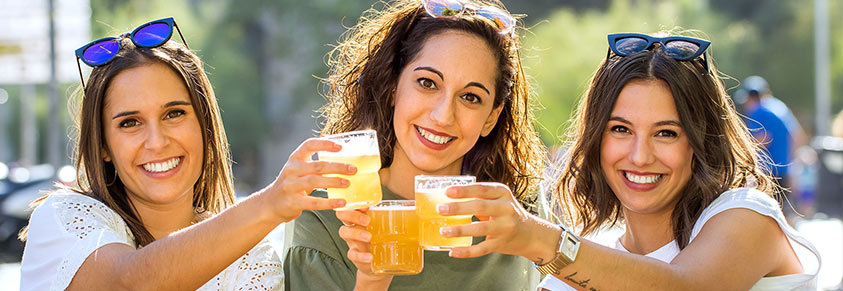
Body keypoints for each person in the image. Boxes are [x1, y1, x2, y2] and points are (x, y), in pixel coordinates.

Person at [437, 32, 822, 290]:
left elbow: (684, 287)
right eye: (620, 129)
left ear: (699, 141)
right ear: (596, 138)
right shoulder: (591, 259)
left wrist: (537, 237)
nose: (639, 156)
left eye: (666, 133)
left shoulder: (746, 216)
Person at [19, 17, 348, 290]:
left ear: (204, 124)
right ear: (103, 146)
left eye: (174, 114)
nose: (157, 141)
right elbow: (128, 282)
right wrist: (269, 204)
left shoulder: (251, 256)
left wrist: (369, 281)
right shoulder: (64, 218)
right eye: (130, 123)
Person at [282, 0, 548, 290]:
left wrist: (542, 238)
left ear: (491, 118)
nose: (443, 116)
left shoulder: (519, 207)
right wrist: (373, 280)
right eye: (427, 83)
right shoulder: (327, 210)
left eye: (470, 97)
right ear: (393, 86)